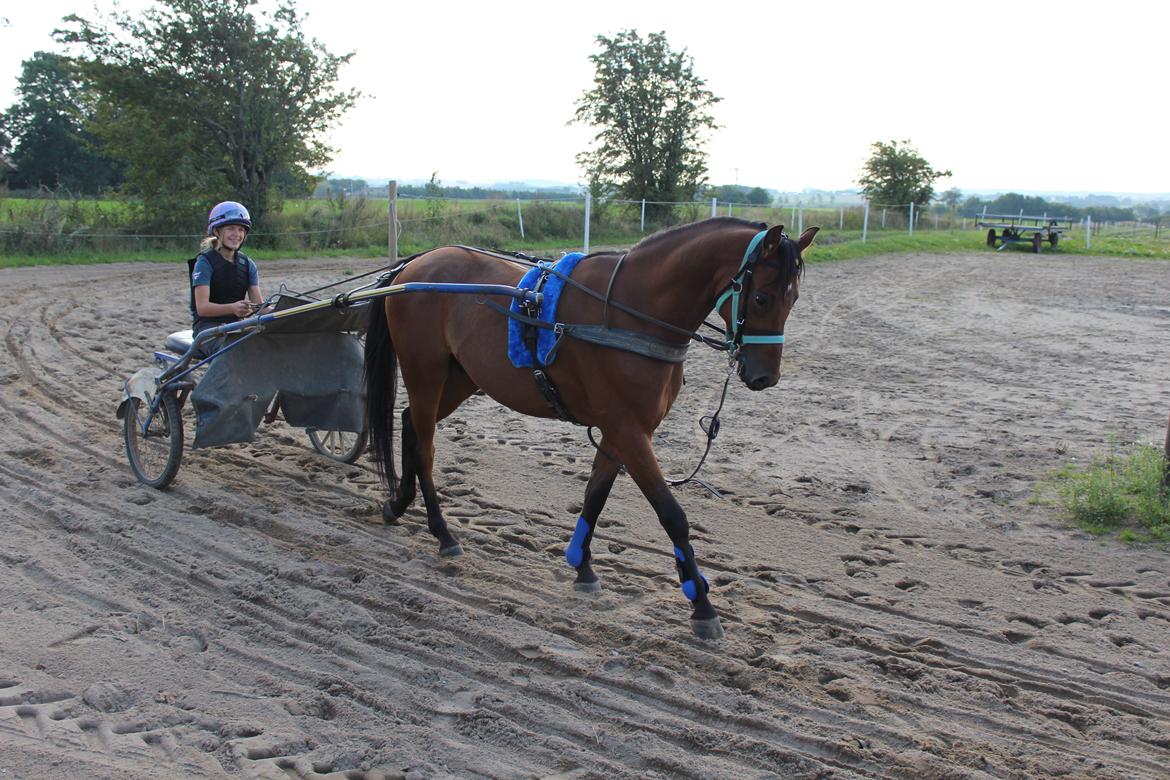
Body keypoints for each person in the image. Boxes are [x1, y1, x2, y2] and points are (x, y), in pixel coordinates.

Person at [189, 201, 264, 356]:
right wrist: (232, 308)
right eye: (230, 228)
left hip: (235, 326)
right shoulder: (204, 263)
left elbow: (259, 306)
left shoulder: (247, 264)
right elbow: (202, 308)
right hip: (207, 329)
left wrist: (287, 311)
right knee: (233, 352)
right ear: (217, 231)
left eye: (241, 229)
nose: (236, 234)